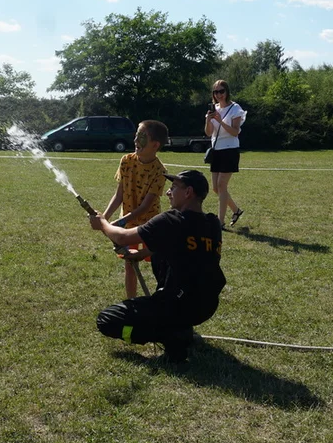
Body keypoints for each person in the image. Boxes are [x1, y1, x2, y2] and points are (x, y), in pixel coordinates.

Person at [90, 170, 226, 363]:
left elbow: (121, 237)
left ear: (188, 192)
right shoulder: (212, 223)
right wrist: (142, 254)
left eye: (173, 188)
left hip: (176, 306)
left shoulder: (171, 220)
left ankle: (169, 335)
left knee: (107, 320)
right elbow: (183, 246)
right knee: (161, 253)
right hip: (206, 306)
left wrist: (102, 223)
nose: (168, 192)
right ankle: (180, 326)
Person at [101, 120, 169, 298]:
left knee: (158, 265)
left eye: (142, 137)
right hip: (129, 227)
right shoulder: (126, 161)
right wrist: (104, 218)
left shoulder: (160, 171)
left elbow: (145, 207)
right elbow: (119, 195)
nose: (136, 141)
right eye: (136, 135)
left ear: (155, 145)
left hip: (150, 226)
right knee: (130, 265)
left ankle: (163, 302)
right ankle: (132, 303)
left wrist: (118, 222)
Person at [205, 79, 246, 229]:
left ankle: (220, 222)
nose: (219, 95)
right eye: (216, 92)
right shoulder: (213, 109)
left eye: (221, 91)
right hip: (216, 150)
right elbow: (209, 133)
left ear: (227, 92)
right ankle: (236, 210)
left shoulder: (235, 109)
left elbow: (235, 132)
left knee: (222, 185)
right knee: (216, 188)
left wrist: (220, 121)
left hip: (230, 149)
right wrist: (209, 120)